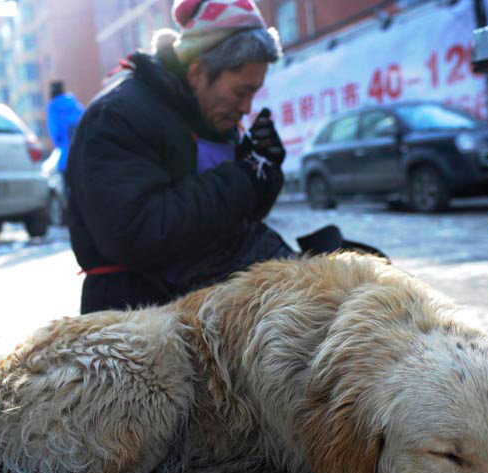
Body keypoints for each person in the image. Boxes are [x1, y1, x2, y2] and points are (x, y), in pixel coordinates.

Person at [66, 0, 380, 314]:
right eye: (240, 92)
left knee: (358, 288)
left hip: (205, 300)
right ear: (198, 71)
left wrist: (265, 174)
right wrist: (242, 177)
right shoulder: (117, 117)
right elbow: (138, 233)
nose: (246, 107)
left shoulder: (208, 114)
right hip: (137, 316)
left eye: (253, 94)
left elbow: (232, 218)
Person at [46, 81, 84, 174]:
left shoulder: (53, 107)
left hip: (66, 157)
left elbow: (54, 131)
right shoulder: (75, 104)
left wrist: (58, 144)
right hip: (83, 155)